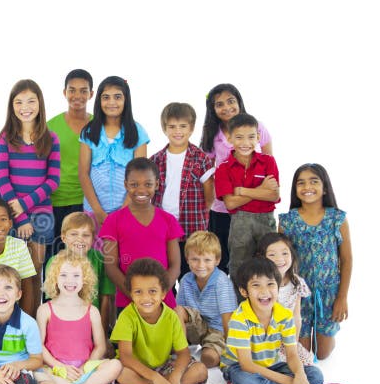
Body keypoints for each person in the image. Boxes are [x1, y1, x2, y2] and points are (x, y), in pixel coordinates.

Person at [220, 258, 353, 384]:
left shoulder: (285, 315)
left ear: (278, 287)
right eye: (256, 285)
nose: (264, 291)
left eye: (270, 284)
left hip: (271, 365)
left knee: (315, 375)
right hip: (238, 367)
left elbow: (292, 355)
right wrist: (290, 382)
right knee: (246, 381)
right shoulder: (240, 319)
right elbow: (247, 365)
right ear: (244, 291)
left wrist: (300, 377)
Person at [112, 258, 221, 384]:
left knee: (200, 370)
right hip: (136, 367)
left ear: (163, 293)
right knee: (121, 373)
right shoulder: (127, 316)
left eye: (152, 291)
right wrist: (154, 378)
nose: (146, 298)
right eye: (138, 292)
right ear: (131, 294)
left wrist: (176, 375)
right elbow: (126, 357)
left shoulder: (171, 316)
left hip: (163, 365)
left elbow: (183, 353)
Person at [0, 79, 60, 315]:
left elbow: (53, 180)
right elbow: (2, 179)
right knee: (13, 273)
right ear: (12, 106)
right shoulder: (6, 138)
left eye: (31, 101)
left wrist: (24, 205)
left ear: (40, 104)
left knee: (35, 271)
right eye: (19, 102)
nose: (25, 107)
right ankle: (13, 321)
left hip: (41, 214)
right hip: (12, 215)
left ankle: (33, 322)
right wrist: (20, 216)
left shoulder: (51, 138)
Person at [279, 163, 351, 360]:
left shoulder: (337, 219)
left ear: (324, 187)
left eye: (313, 181)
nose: (307, 187)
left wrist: (342, 297)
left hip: (328, 293)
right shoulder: (288, 220)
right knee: (302, 354)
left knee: (322, 354)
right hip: (298, 295)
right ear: (295, 189)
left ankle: (326, 335)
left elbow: (346, 259)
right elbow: (280, 261)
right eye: (300, 183)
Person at [201, 84, 273, 273]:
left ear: (239, 101)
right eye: (219, 104)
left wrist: (247, 192)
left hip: (255, 210)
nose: (226, 107)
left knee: (255, 261)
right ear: (213, 109)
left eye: (231, 101)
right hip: (223, 208)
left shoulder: (257, 126)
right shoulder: (212, 134)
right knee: (224, 260)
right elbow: (208, 175)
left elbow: (269, 166)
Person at [37, 251, 123, 384]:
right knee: (38, 373)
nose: (70, 280)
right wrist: (59, 366)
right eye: (63, 275)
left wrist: (84, 368)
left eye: (76, 276)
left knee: (116, 365)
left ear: (85, 279)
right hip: (56, 369)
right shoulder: (45, 310)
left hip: (85, 369)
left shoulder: (92, 311)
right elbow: (39, 346)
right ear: (54, 278)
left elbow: (100, 346)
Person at [101, 158, 183, 312]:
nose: (141, 190)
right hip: (128, 301)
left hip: (163, 302)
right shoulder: (113, 221)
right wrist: (136, 295)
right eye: (134, 184)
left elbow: (175, 265)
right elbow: (110, 267)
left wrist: (159, 294)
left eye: (148, 184)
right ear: (126, 185)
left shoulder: (168, 220)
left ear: (157, 184)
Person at [149, 102, 215, 279]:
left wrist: (202, 213)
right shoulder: (155, 160)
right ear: (164, 129)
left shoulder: (201, 159)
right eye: (172, 126)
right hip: (163, 227)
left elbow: (209, 193)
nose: (177, 131)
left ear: (192, 128)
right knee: (165, 272)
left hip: (192, 227)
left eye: (183, 126)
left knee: (190, 273)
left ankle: (190, 306)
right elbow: (151, 193)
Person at [78, 76, 149, 233]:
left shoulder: (138, 132)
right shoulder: (89, 132)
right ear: (99, 101)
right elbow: (83, 173)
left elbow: (140, 177)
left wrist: (123, 211)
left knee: (124, 253)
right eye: (106, 97)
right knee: (95, 254)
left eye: (117, 97)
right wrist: (98, 211)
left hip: (128, 210)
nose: (111, 102)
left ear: (126, 100)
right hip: (94, 211)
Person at [213, 113, 280, 279]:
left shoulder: (268, 161)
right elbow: (230, 204)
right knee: (239, 265)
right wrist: (261, 190)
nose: (245, 143)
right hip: (239, 224)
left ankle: (268, 303)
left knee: (269, 264)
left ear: (258, 137)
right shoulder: (223, 168)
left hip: (266, 221)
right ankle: (240, 304)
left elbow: (273, 195)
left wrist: (242, 191)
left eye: (251, 137)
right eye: (239, 137)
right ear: (230, 138)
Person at [174, 231, 238, 368]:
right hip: (197, 326)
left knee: (208, 358)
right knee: (178, 311)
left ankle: (212, 350)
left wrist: (233, 351)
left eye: (207, 260)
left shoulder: (221, 282)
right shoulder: (186, 280)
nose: (200, 265)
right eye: (195, 259)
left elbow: (228, 319)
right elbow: (179, 313)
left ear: (217, 260)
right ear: (187, 259)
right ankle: (182, 351)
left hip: (217, 330)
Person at [46, 69, 94, 251]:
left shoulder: (99, 126)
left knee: (86, 259)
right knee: (55, 258)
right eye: (72, 90)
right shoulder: (50, 126)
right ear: (64, 92)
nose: (77, 95)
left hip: (87, 201)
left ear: (91, 94)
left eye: (83, 90)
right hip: (56, 201)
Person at [44, 212, 115, 333]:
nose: (80, 239)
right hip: (62, 325)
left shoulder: (99, 259)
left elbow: (106, 298)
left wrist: (102, 335)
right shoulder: (54, 262)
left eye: (85, 235)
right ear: (63, 237)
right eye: (74, 234)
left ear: (93, 239)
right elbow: (52, 299)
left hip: (92, 325)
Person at [257, 232, 314, 365]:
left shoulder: (296, 282)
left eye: (285, 253)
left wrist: (292, 344)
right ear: (262, 258)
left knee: (307, 361)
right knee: (277, 364)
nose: (279, 259)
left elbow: (296, 316)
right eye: (272, 255)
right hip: (264, 340)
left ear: (292, 255)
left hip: (286, 340)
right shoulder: (260, 283)